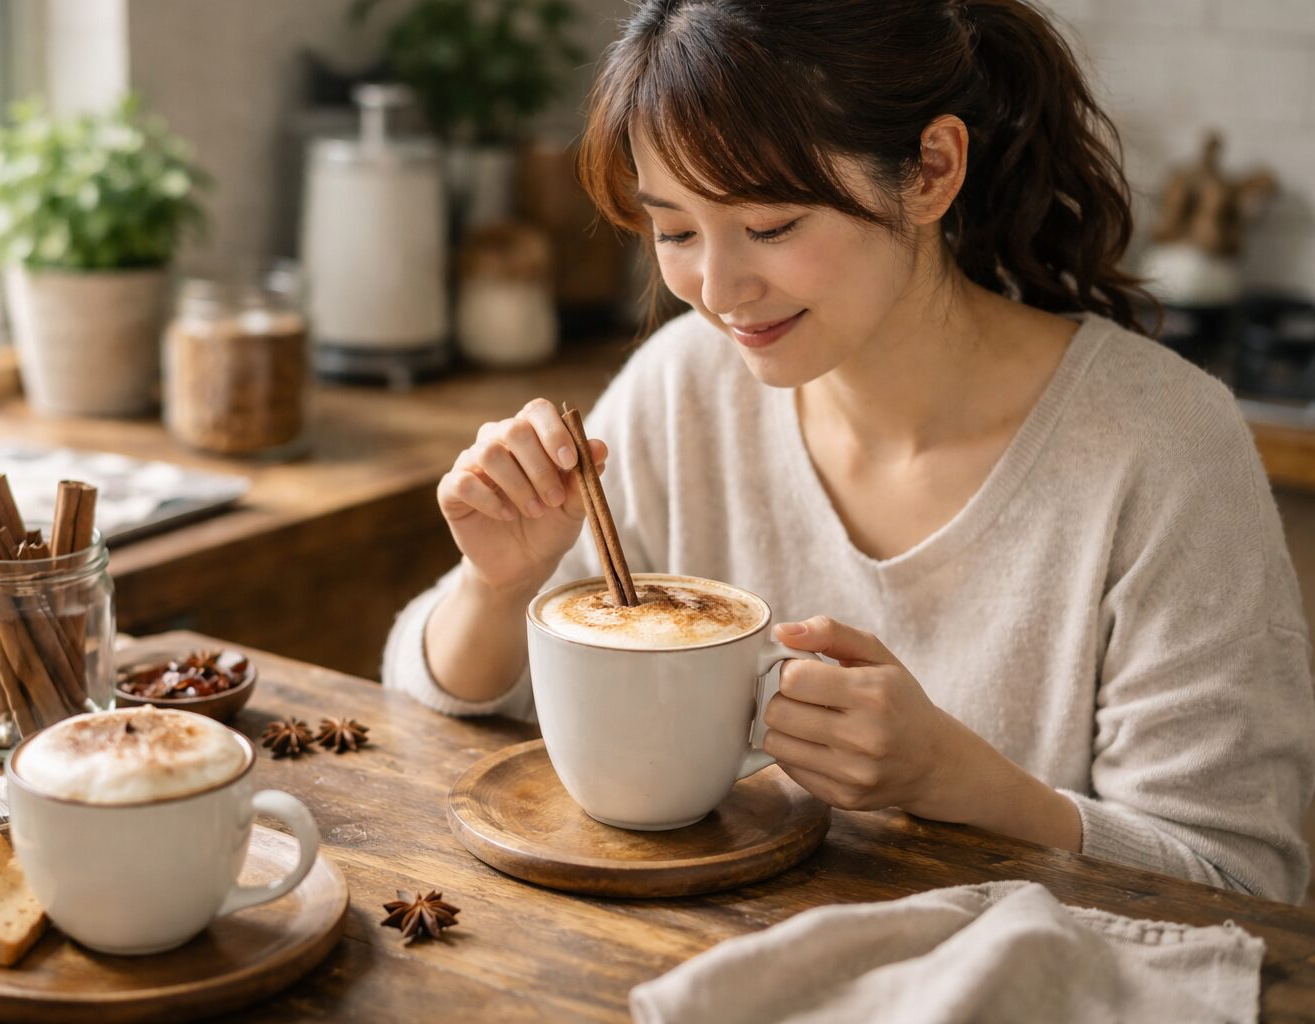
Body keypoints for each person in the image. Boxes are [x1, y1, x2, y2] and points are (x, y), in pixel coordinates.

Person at [382, 0, 1315, 902]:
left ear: (932, 171)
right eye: (673, 231)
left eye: (772, 225)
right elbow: (438, 700)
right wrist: (497, 587)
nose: (717, 288)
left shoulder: (1165, 448)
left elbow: (1240, 884)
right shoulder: (685, 386)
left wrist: (955, 779)